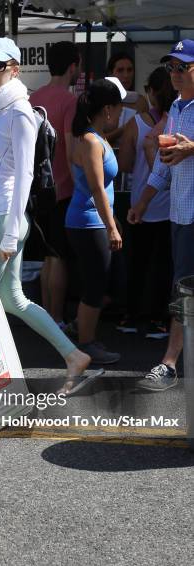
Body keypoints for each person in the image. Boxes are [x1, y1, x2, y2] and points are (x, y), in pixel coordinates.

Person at [0, 37, 93, 390]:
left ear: (14, 68)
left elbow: (25, 173)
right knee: (12, 299)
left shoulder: (20, 111)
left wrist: (10, 232)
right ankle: (73, 355)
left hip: (2, 216)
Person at [129, 39, 194, 391]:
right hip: (181, 214)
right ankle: (170, 364)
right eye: (172, 67)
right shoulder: (178, 109)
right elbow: (164, 168)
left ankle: (170, 363)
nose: (175, 74)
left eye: (183, 67)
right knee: (183, 291)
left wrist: (192, 148)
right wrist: (140, 203)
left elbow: (182, 154)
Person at [65, 78, 124, 365]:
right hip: (87, 222)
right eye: (119, 108)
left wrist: (112, 221)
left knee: (98, 282)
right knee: (95, 285)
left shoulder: (96, 138)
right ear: (108, 109)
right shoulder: (90, 140)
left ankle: (83, 329)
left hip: (95, 221)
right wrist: (111, 226)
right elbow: (97, 188)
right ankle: (87, 344)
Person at [117, 67, 176, 338]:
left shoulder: (135, 123)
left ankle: (131, 316)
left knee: (137, 262)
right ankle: (159, 319)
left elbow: (126, 165)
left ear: (150, 91)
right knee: (164, 263)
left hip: (140, 200)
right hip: (171, 202)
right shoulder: (177, 121)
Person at [30, 41, 81, 329]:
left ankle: (49, 319)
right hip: (63, 189)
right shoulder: (70, 101)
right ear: (73, 66)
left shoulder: (34, 98)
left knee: (49, 255)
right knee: (58, 256)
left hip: (38, 191)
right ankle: (57, 318)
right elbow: (73, 151)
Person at [106, 51, 149, 145]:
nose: (126, 75)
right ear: (111, 73)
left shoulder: (140, 101)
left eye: (129, 70)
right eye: (120, 70)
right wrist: (122, 130)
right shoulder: (101, 100)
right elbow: (94, 139)